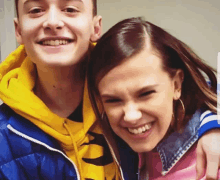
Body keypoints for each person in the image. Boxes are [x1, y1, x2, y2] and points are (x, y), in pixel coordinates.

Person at [0, 0, 219, 179]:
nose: (53, 22)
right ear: (18, 30)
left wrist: (212, 125)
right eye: (36, 10)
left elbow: (196, 89)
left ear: (96, 27)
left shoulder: (121, 77)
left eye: (70, 9)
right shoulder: (4, 138)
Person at [87, 17, 220, 180]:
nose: (131, 116)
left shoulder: (211, 162)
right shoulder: (114, 148)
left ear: (177, 85)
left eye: (145, 94)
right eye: (113, 100)